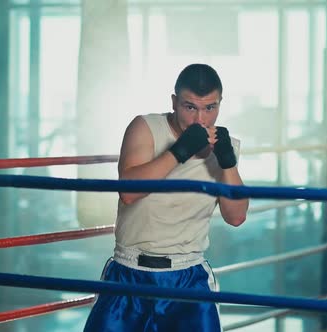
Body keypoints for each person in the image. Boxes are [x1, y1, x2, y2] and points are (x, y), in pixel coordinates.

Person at [84, 63, 249, 331]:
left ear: (220, 104)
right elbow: (129, 192)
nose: (200, 120)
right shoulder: (146, 128)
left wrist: (228, 163)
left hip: (188, 277)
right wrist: (179, 151)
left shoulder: (225, 147)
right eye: (190, 107)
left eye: (210, 108)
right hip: (129, 273)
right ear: (174, 102)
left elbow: (236, 216)